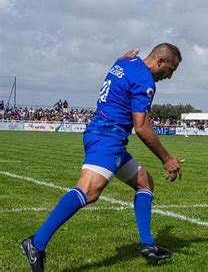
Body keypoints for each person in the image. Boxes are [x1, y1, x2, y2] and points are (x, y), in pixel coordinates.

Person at [21, 44, 184, 272]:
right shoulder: (144, 81)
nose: (170, 76)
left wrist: (122, 57)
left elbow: (121, 69)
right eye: (171, 69)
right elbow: (142, 127)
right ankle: (36, 243)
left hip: (108, 137)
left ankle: (148, 244)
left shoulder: (126, 62)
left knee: (145, 182)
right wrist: (166, 158)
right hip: (107, 137)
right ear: (159, 62)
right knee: (89, 191)